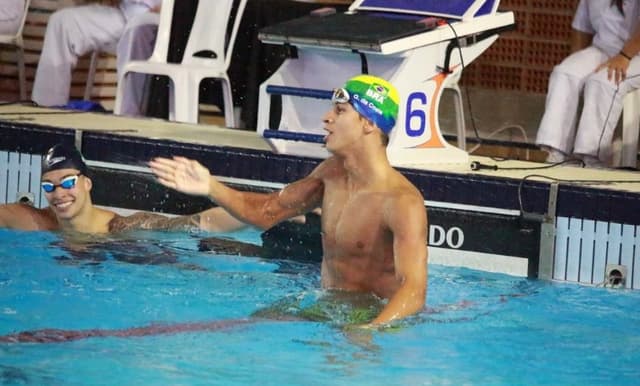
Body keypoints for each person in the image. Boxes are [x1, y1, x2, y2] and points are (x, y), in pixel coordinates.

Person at [150, 74, 429, 327]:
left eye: (340, 111)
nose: (326, 118)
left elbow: (413, 290)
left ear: (368, 124)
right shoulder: (330, 174)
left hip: (373, 316)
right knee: (250, 325)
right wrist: (210, 186)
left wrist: (370, 330)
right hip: (329, 304)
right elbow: (268, 212)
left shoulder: (402, 202)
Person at [0, 143, 244, 234]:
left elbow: (199, 223)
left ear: (87, 183)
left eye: (67, 182)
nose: (59, 192)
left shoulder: (119, 228)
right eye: (49, 186)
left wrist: (255, 211)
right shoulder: (36, 221)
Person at [535, 0, 640, 167]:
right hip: (604, 49)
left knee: (603, 82)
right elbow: (581, 27)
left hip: (635, 55)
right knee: (565, 73)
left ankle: (592, 159)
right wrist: (577, 65)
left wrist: (624, 56)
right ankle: (557, 153)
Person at [31, 0, 160, 116]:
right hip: (125, 13)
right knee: (62, 22)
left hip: (159, 17)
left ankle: (129, 123)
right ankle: (44, 115)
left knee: (136, 31)